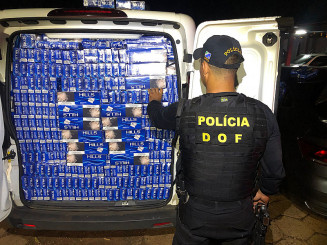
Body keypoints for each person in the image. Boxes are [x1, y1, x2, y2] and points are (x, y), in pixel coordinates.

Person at [147, 35, 285, 245]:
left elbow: (157, 118)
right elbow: (274, 169)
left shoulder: (183, 110)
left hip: (195, 217)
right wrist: (266, 191)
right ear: (235, 68)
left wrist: (154, 101)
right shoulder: (262, 113)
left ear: (204, 67)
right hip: (240, 216)